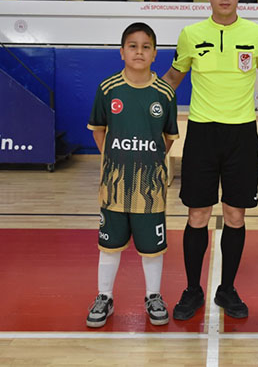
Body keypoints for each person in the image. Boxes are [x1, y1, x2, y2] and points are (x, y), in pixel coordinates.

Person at [163, 0, 258, 321]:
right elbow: (172, 78)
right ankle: (192, 289)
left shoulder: (257, 34)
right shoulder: (190, 34)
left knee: (235, 215)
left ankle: (227, 289)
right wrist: (146, 110)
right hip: (201, 133)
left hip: (241, 135)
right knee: (197, 215)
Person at [86, 22, 179, 328]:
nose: (139, 52)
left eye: (146, 47)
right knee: (109, 246)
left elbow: (167, 139)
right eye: (133, 46)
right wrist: (116, 160)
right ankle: (104, 296)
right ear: (122, 51)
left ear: (155, 54)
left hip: (149, 190)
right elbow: (99, 131)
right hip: (114, 186)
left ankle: (153, 296)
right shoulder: (108, 88)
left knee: (152, 249)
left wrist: (147, 161)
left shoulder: (164, 93)